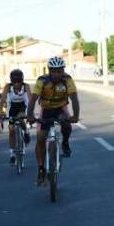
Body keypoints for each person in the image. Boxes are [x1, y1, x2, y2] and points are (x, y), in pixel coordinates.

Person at [27, 56, 80, 186]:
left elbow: (74, 99)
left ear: (63, 70)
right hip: (46, 109)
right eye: (54, 71)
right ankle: (41, 169)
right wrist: (30, 115)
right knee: (40, 138)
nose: (57, 74)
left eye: (59, 71)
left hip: (61, 108)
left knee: (66, 124)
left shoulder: (67, 79)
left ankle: (65, 143)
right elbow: (33, 99)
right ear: (49, 71)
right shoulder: (42, 80)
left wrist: (75, 116)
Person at [0, 69, 31, 165]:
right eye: (14, 82)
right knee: (11, 129)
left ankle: (25, 132)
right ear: (11, 82)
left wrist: (30, 113)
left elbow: (30, 99)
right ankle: (12, 154)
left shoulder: (26, 87)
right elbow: (3, 101)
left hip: (23, 106)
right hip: (13, 107)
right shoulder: (8, 87)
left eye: (19, 82)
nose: (17, 84)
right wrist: (2, 112)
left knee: (20, 117)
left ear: (22, 81)